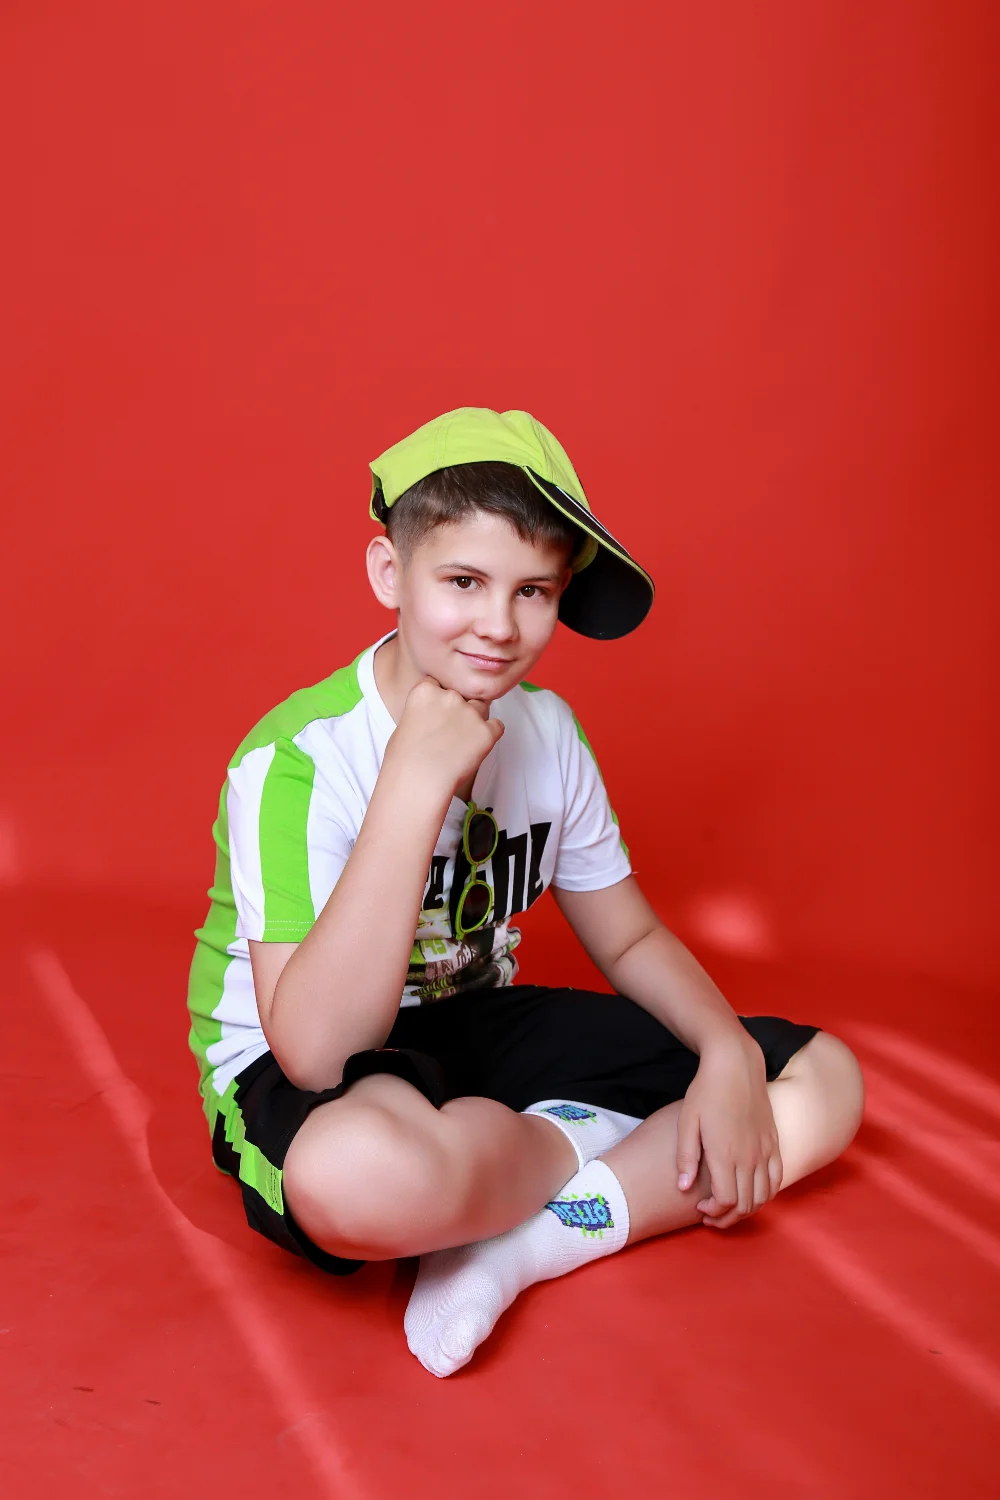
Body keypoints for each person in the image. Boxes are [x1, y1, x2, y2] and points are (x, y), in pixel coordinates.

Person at [187, 407, 865, 1378]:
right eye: (463, 582)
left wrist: (724, 1051)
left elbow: (628, 939)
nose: (499, 627)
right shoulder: (294, 760)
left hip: (476, 1024)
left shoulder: (549, 732)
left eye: (533, 591)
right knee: (358, 1180)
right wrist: (413, 785)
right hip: (305, 1060)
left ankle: (523, 1245)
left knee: (825, 1080)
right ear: (390, 574)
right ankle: (571, 1146)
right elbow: (318, 1050)